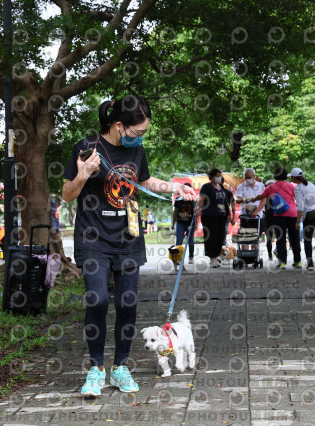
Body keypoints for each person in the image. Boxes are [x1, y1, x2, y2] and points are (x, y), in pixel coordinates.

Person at [61, 95, 195, 397]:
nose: (141, 137)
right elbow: (67, 194)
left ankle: (120, 367)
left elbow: (144, 181)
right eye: (138, 132)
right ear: (119, 125)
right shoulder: (87, 147)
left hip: (128, 237)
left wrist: (176, 187)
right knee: (97, 300)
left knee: (127, 302)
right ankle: (96, 369)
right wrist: (83, 174)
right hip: (93, 237)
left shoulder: (136, 150)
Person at [247, 167, 301, 269]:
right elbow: (298, 197)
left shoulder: (271, 187)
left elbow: (262, 196)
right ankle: (297, 261)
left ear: (275, 176)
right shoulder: (291, 186)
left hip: (280, 215)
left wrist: (253, 199)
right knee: (295, 238)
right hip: (292, 213)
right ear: (286, 176)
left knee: (280, 238)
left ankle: (283, 262)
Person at [290, 168, 315, 270]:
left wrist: (298, 221)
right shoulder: (311, 184)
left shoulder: (298, 189)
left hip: (310, 215)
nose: (290, 178)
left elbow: (300, 206)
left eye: (291, 177)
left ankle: (310, 264)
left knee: (307, 239)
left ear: (294, 178)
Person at [198, 169, 228, 267]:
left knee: (220, 237)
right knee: (211, 237)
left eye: (220, 175)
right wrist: (199, 209)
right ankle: (212, 258)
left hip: (221, 215)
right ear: (211, 177)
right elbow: (201, 199)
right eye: (217, 175)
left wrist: (228, 214)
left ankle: (216, 255)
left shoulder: (221, 186)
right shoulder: (206, 187)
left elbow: (224, 201)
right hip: (209, 216)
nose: (219, 177)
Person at [235, 168, 265, 250]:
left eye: (249, 177)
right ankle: (244, 256)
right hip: (245, 216)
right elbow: (237, 199)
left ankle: (254, 255)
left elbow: (264, 200)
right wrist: (243, 200)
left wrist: (256, 211)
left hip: (257, 216)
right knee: (245, 238)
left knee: (255, 238)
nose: (247, 179)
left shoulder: (261, 186)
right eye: (246, 177)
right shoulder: (241, 186)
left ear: (254, 176)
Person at [171, 183, 195, 264]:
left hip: (190, 223)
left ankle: (191, 257)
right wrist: (173, 223)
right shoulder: (178, 199)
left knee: (190, 241)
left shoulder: (193, 199)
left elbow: (196, 212)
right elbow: (175, 212)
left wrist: (196, 223)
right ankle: (178, 258)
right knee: (179, 241)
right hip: (180, 223)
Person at [221, 177, 236, 246]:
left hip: (225, 217)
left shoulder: (228, 193)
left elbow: (233, 206)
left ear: (222, 182)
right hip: (213, 217)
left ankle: (223, 248)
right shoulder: (211, 193)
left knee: (223, 234)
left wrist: (233, 218)